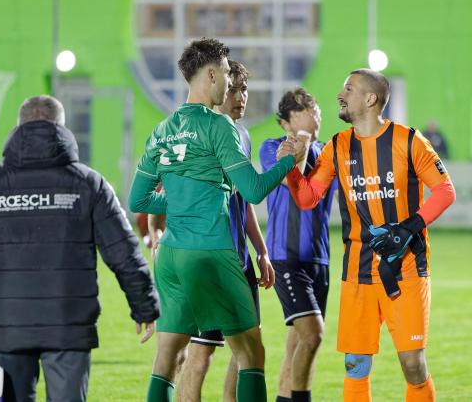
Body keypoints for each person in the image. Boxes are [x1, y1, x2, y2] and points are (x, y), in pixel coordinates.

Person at [0, 95, 160, 402]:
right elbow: (123, 252)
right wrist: (144, 305)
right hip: (69, 327)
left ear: (18, 127)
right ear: (61, 128)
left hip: (8, 328)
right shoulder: (90, 184)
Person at [128, 38, 304, 402]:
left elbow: (138, 200)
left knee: (166, 361)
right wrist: (288, 160)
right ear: (210, 74)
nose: (228, 82)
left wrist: (181, 200)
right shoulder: (219, 127)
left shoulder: (161, 130)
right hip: (211, 252)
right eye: (226, 74)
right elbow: (253, 191)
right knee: (251, 353)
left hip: (171, 257)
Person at [278, 69, 456, 402]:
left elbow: (445, 191)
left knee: (413, 364)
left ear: (370, 99)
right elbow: (306, 197)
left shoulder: (408, 140)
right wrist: (290, 168)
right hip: (357, 272)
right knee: (356, 364)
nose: (340, 95)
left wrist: (406, 229)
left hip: (405, 270)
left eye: (348, 89)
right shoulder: (337, 146)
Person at [161, 60, 276, 402]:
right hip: (208, 258)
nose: (241, 96)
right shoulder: (201, 134)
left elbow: (243, 200)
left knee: (249, 348)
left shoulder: (241, 135)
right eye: (236, 88)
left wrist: (261, 250)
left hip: (238, 261)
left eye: (245, 90)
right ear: (220, 89)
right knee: (201, 354)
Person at [259, 87, 336, 402]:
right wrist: (301, 140)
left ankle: (284, 398)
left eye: (317, 110)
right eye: (307, 110)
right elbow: (292, 172)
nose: (316, 115)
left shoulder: (329, 151)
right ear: (285, 121)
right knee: (312, 334)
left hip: (319, 259)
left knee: (299, 343)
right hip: (286, 257)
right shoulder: (271, 147)